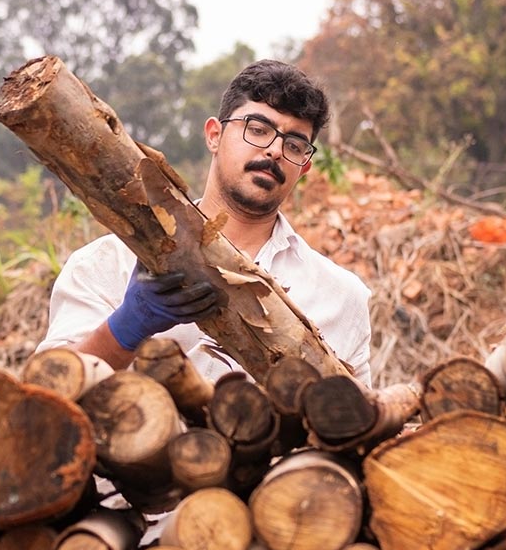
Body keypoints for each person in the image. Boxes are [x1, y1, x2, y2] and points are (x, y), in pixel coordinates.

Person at [36, 59, 373, 385]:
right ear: (214, 135)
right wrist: (126, 327)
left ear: (304, 166)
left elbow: (360, 430)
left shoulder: (343, 298)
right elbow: (44, 401)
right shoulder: (107, 264)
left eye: (295, 145)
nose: (274, 151)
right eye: (257, 130)